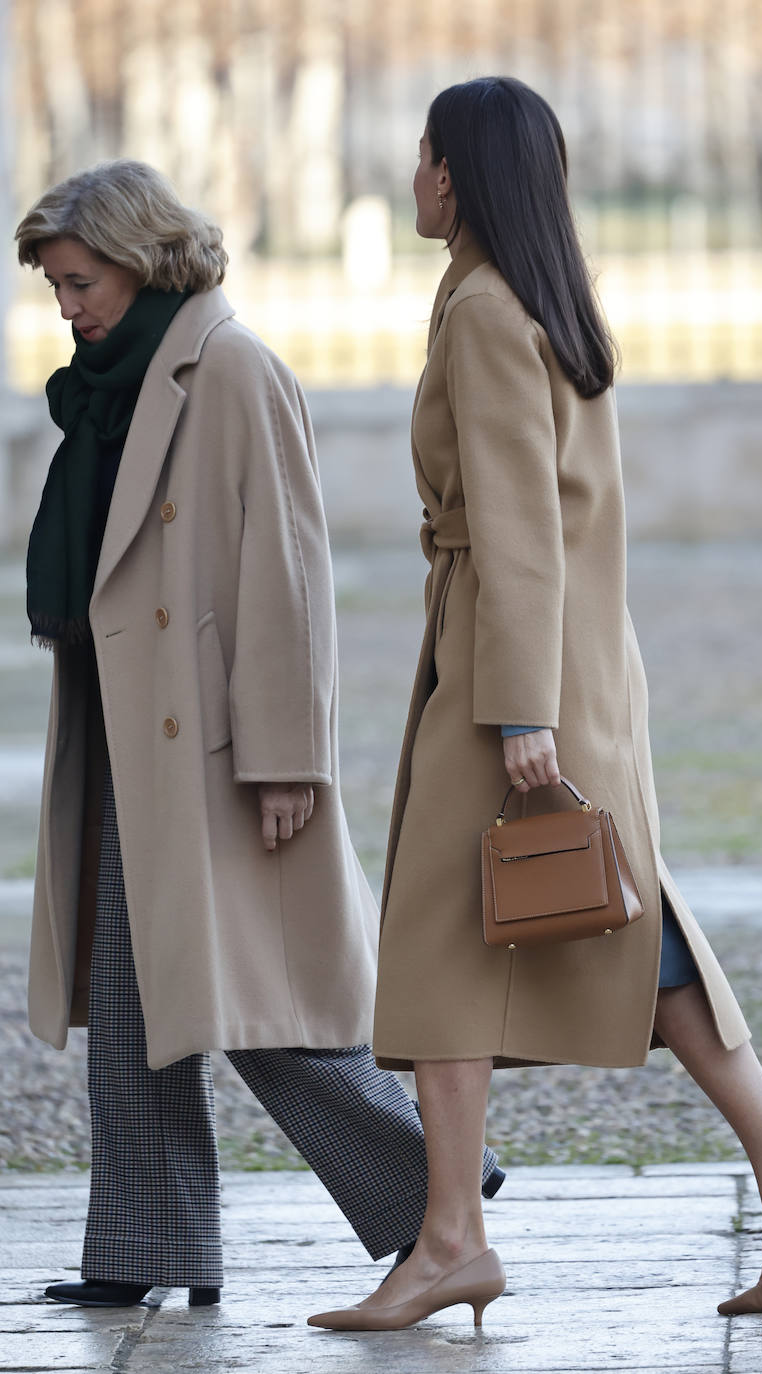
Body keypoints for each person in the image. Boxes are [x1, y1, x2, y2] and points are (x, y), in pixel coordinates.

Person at [307, 77, 762, 1333]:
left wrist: (513, 712)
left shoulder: (490, 312)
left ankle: (450, 1240)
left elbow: (516, 530)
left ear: (456, 177)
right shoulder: (530, 297)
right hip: (563, 664)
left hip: (519, 669)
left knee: (455, 935)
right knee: (617, 923)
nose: (410, 176)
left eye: (421, 155)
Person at [14, 160, 501, 1308]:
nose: (67, 309)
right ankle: (144, 1250)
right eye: (55, 289)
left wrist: (288, 759)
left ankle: (443, 1192)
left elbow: (288, 581)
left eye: (80, 282)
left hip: (218, 750)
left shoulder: (230, 370)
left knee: (259, 1002)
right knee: (137, 999)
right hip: (130, 727)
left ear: (140, 261)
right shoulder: (114, 380)